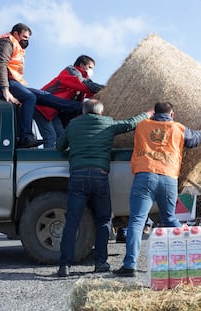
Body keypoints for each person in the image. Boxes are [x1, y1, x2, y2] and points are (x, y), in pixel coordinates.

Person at [113, 101, 201, 277]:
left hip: (144, 176)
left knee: (137, 222)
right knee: (170, 219)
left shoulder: (142, 125)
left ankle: (130, 266)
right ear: (172, 114)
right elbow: (193, 140)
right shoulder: (178, 128)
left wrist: (146, 115)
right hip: (168, 177)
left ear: (154, 113)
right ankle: (193, 258)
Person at [56, 99, 153, 277]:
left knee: (72, 221)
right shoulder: (108, 123)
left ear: (83, 112)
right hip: (99, 176)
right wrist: (147, 114)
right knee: (103, 220)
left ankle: (64, 265)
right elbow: (130, 123)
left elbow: (59, 146)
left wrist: (75, 151)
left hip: (77, 176)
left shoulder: (73, 124)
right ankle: (100, 262)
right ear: (100, 113)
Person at [0, 23, 82, 148]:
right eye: (25, 37)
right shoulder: (6, 42)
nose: (26, 41)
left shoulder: (16, 45)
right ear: (16, 34)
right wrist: (5, 90)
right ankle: (26, 136)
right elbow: (0, 64)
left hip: (10, 83)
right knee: (30, 97)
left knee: (43, 95)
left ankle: (78, 107)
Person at [35, 55, 104, 148]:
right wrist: (107, 88)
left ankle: (58, 158)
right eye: (90, 67)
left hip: (53, 112)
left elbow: (91, 93)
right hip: (43, 107)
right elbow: (83, 84)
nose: (92, 71)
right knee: (50, 136)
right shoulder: (71, 71)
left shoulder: (82, 82)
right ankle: (50, 161)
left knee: (61, 136)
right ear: (82, 65)